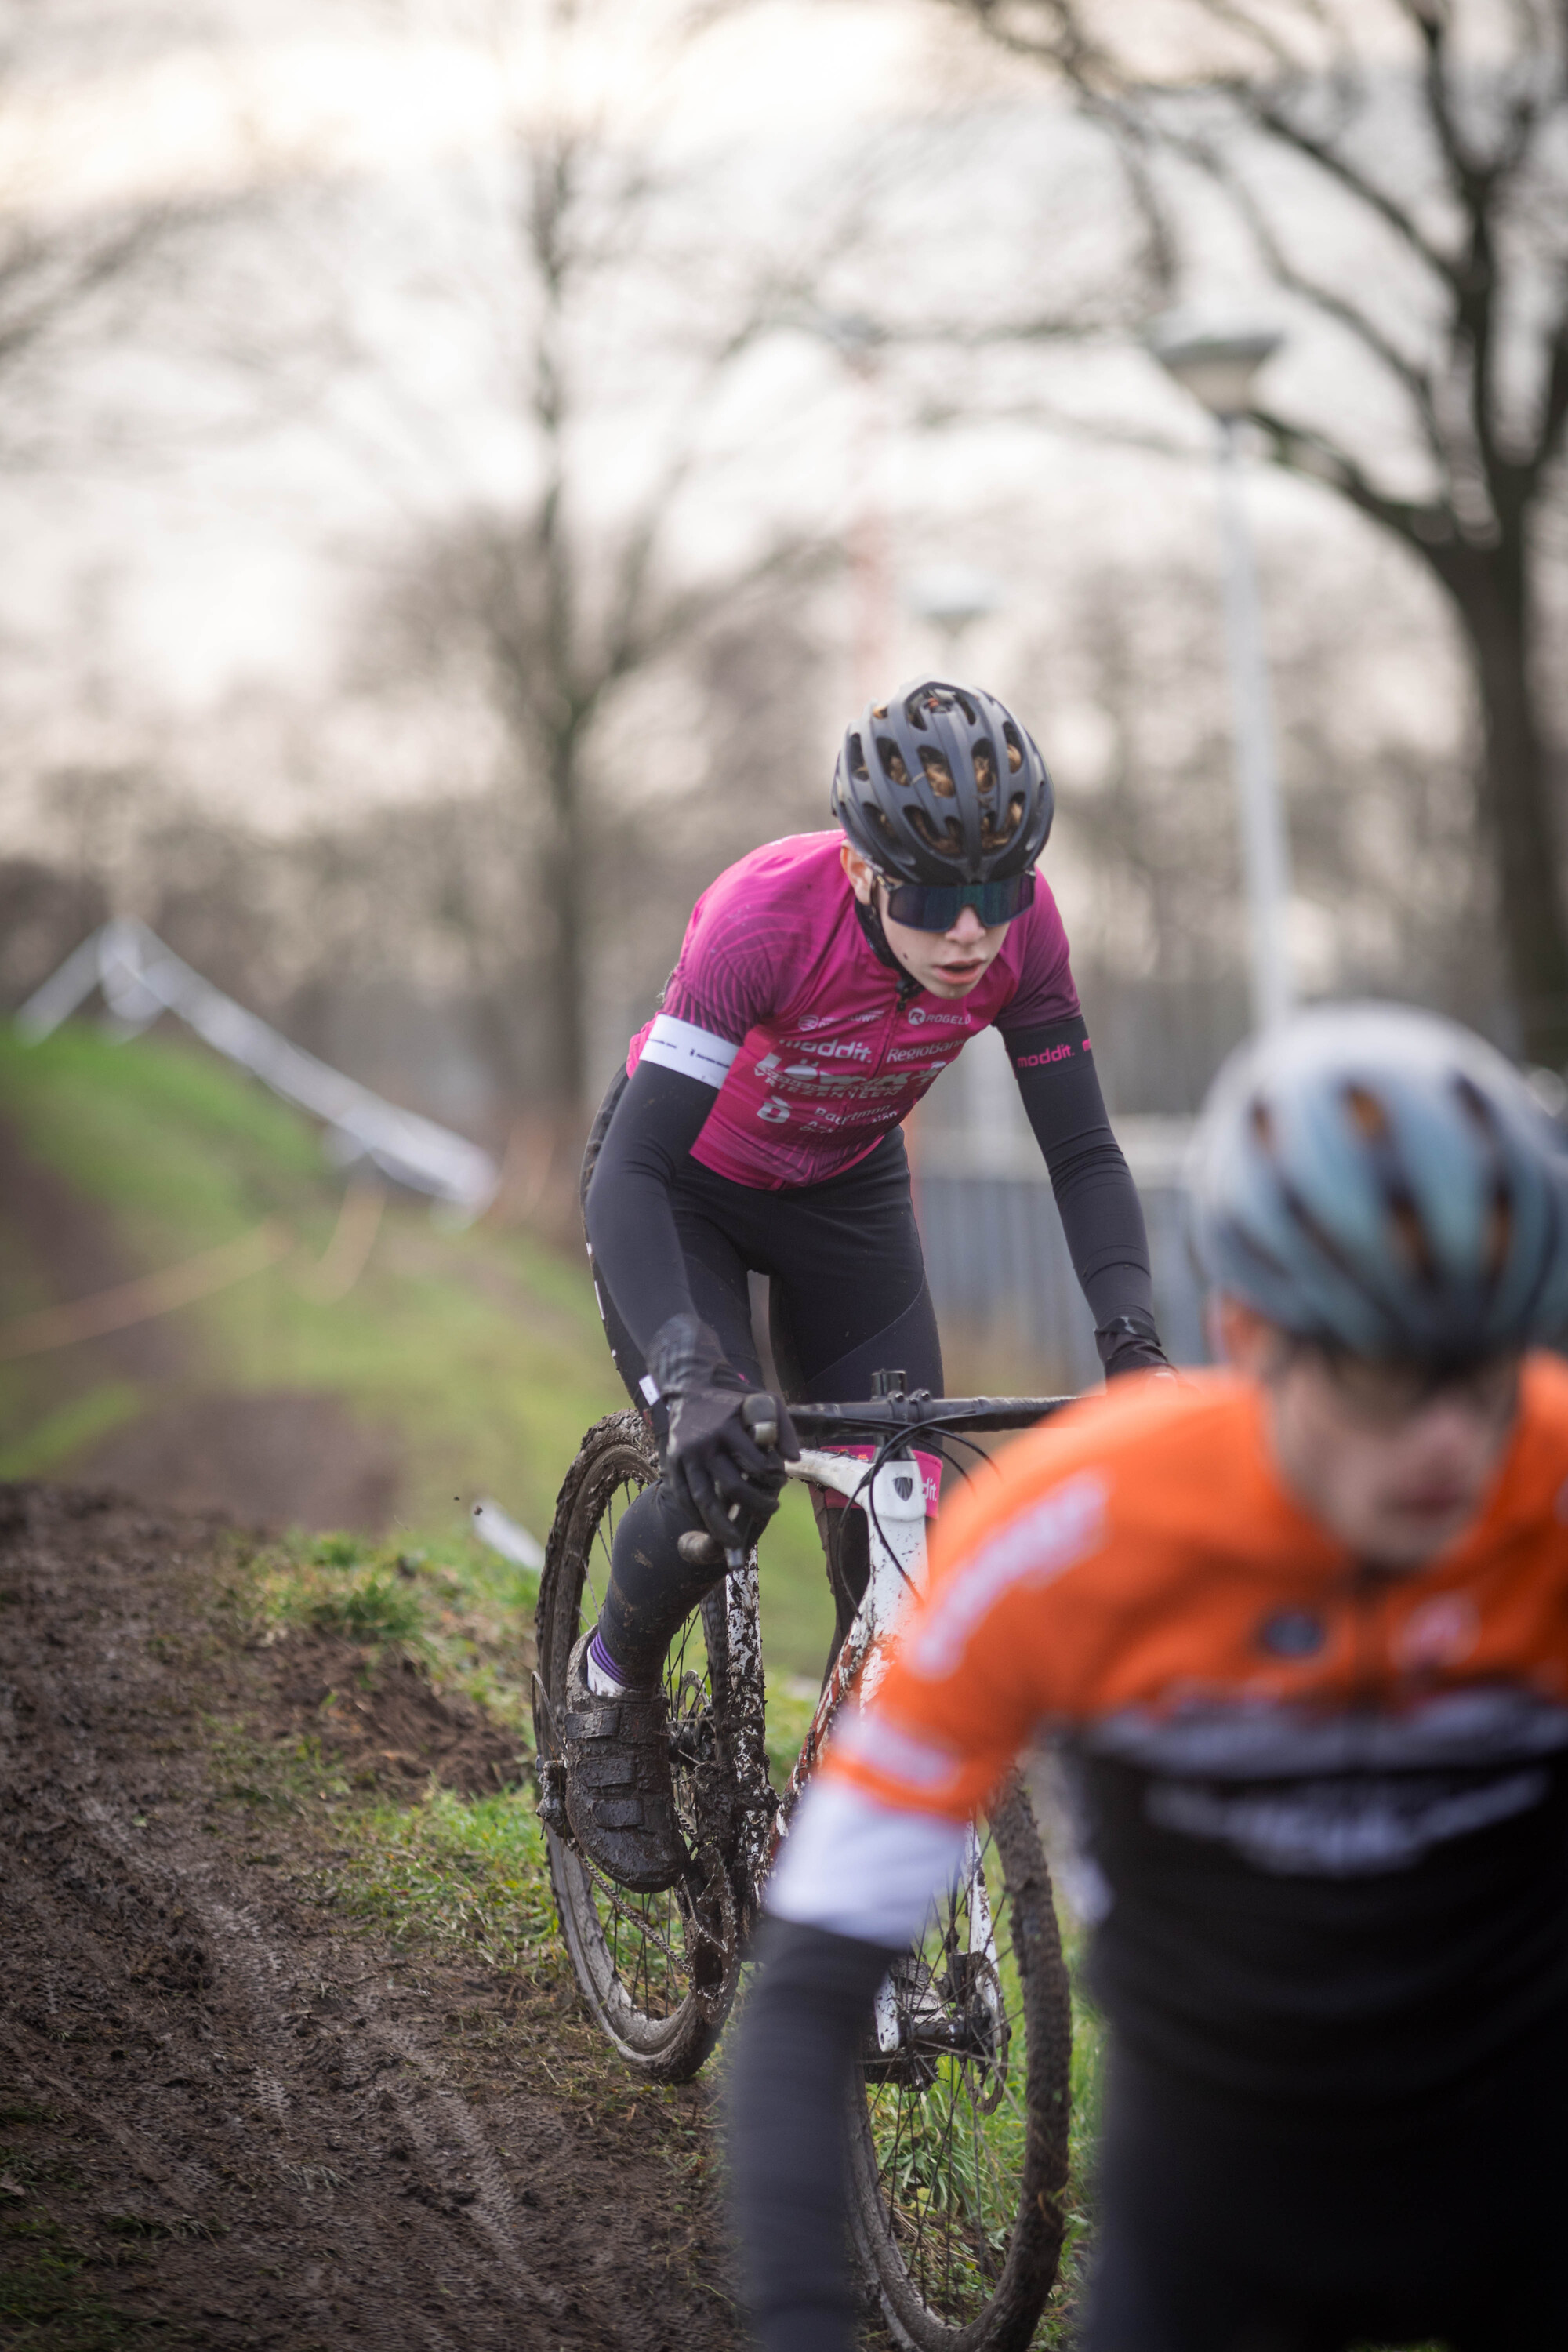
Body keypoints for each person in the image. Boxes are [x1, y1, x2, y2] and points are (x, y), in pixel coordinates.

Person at [729, 1001, 1568, 2352]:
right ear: (1247, 1329)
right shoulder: (1073, 1535)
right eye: (1378, 1376)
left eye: (1488, 1375)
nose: (1448, 1449)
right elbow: (818, 1974)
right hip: (1216, 2223)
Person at [565, 677, 1170, 1894]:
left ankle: (836, 1841)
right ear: (860, 872)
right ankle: (606, 1695)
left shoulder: (1025, 936)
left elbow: (1085, 1157)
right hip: (683, 1192)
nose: (971, 933)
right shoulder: (763, 920)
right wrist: (689, 1376)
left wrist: (1135, 1353)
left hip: (848, 1199)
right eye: (936, 899)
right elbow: (631, 1166)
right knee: (723, 1482)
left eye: (999, 893)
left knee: (910, 1531)